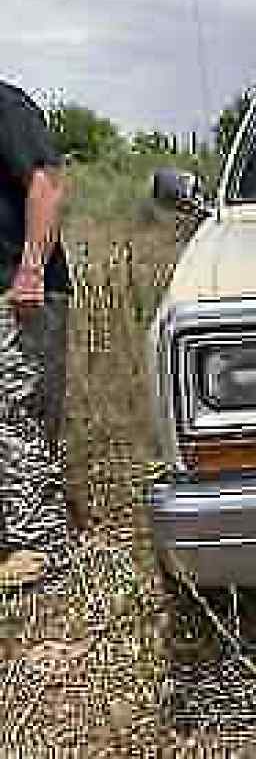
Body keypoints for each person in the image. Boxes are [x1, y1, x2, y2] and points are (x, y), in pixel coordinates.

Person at [0, 80, 73, 589]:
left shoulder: (6, 104)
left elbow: (45, 182)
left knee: (15, 415)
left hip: (17, 289)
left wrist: (30, 271)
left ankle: (37, 546)